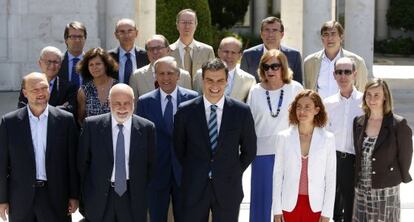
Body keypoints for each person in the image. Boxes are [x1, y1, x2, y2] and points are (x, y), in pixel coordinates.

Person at [173, 58, 257, 222]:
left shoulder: (241, 112)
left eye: (220, 80)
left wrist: (232, 170)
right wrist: (196, 169)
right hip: (194, 187)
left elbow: (250, 150)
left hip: (228, 187)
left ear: (227, 81)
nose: (214, 85)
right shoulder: (185, 111)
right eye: (209, 80)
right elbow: (179, 149)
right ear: (202, 80)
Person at [0, 72, 79, 222]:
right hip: (21, 198)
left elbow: (72, 163)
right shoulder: (9, 122)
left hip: (56, 196)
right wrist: (2, 199)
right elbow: (2, 164)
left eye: (44, 88)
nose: (41, 93)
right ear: (25, 93)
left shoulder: (65, 120)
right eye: (35, 90)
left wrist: (74, 195)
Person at [78, 83, 156, 222]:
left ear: (134, 103)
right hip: (100, 198)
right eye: (117, 103)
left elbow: (151, 166)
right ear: (109, 103)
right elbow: (82, 165)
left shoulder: (147, 128)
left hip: (132, 198)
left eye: (127, 103)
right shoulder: (92, 126)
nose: (122, 108)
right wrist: (84, 198)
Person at [136, 56, 198, 222]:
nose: (166, 78)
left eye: (170, 73)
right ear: (155, 76)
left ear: (178, 75)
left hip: (185, 173)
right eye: (161, 73)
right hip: (156, 173)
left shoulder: (193, 99)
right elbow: (140, 141)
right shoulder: (144, 102)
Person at [246, 49, 303, 222]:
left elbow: (303, 120)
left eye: (275, 66)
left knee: (288, 201)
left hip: (290, 152)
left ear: (283, 67)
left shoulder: (296, 88)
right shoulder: (255, 91)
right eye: (266, 66)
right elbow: (249, 124)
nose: (270, 70)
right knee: (261, 202)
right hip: (262, 154)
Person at [352, 79, 412, 221]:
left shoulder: (398, 124)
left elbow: (405, 156)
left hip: (386, 189)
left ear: (385, 96)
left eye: (376, 95)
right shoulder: (358, 122)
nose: (372, 99)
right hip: (362, 188)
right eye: (368, 94)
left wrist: (397, 177)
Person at [272, 90, 336, 222]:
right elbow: (277, 175)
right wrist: (277, 209)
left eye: (307, 107)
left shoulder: (328, 139)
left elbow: (331, 178)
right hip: (289, 205)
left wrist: (327, 212)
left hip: (316, 206)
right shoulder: (283, 137)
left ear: (317, 110)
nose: (302, 111)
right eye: (299, 107)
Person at [323, 57, 363, 222]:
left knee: (350, 207)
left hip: (353, 161)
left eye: (347, 72)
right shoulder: (327, 103)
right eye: (339, 72)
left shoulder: (364, 101)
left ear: (354, 74)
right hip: (332, 159)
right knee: (332, 207)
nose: (343, 76)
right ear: (334, 75)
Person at [304, 20, 368, 99]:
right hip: (319, 110)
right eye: (326, 34)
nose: (330, 38)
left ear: (341, 37)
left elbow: (361, 91)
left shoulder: (357, 62)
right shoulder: (309, 62)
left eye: (333, 34)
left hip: (345, 110)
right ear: (322, 39)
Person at [129, 34, 192, 102]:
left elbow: (190, 105)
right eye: (151, 49)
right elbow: (133, 107)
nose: (155, 52)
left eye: (159, 48)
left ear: (168, 50)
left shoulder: (184, 76)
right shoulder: (137, 76)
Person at [240, 16, 303, 83]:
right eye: (267, 30)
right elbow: (242, 84)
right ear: (261, 34)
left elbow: (298, 85)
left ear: (282, 34)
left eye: (274, 30)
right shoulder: (248, 55)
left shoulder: (294, 55)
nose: (270, 34)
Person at [18, 46, 78, 115]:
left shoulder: (69, 87)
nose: (52, 66)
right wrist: (58, 108)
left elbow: (70, 110)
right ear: (40, 63)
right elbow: (22, 108)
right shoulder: (28, 83)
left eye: (55, 62)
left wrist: (36, 108)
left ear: (60, 65)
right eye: (48, 62)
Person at [193, 36, 256, 102]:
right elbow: (195, 102)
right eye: (226, 52)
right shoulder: (200, 74)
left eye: (233, 53)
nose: (229, 56)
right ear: (219, 52)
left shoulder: (249, 80)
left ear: (240, 55)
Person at [76, 47, 118, 125]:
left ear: (106, 65)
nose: (94, 67)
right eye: (91, 65)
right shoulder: (84, 90)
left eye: (98, 64)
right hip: (91, 135)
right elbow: (81, 119)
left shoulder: (118, 88)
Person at [170, 9, 215, 78]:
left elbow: (213, 76)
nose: (187, 26)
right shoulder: (168, 51)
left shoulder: (207, 51)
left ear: (196, 26)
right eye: (183, 22)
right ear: (177, 25)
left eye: (190, 23)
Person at [108, 18, 149, 84]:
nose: (126, 35)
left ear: (136, 33)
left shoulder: (146, 55)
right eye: (122, 32)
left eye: (130, 31)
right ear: (116, 35)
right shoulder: (108, 57)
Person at [58, 21, 87, 88]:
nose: (77, 40)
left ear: (85, 39)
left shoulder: (91, 62)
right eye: (73, 37)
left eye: (80, 37)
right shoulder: (58, 63)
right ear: (66, 40)